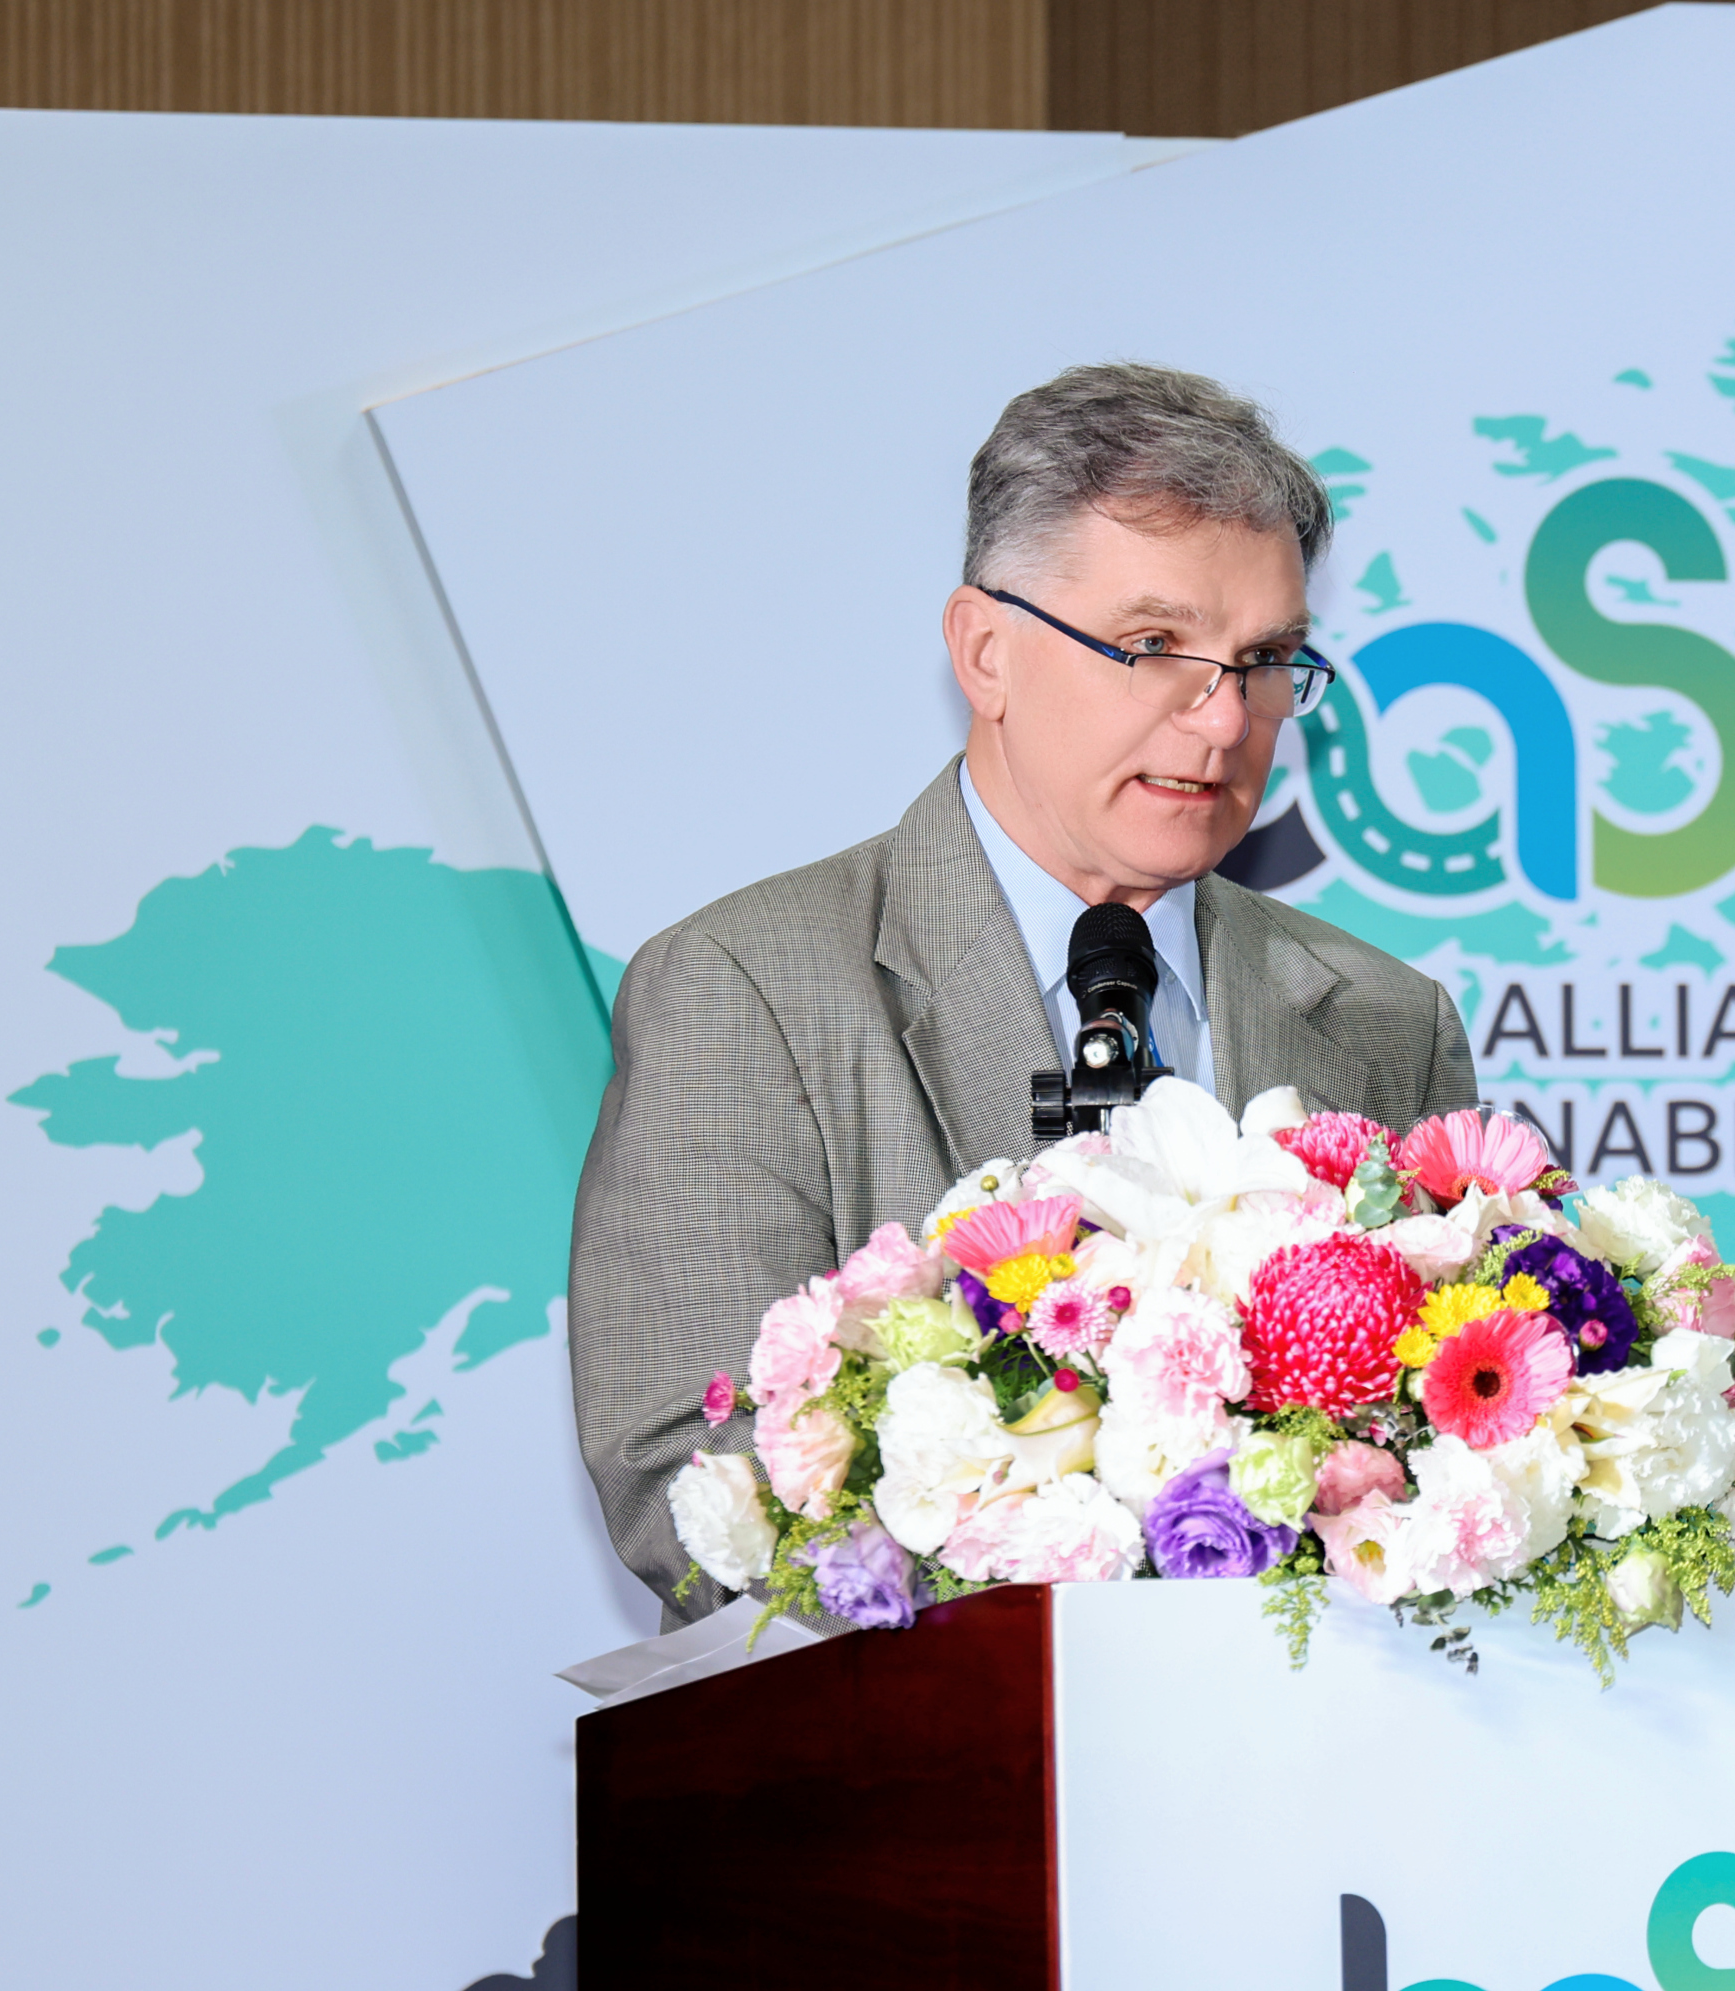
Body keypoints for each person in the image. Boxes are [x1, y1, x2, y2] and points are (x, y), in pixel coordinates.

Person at [570, 363, 1478, 1621]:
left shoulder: (1384, 1017)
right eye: (1151, 647)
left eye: (1264, 659)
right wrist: (1073, 1635)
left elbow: (1468, 1446)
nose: (1224, 722)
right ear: (984, 650)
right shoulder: (747, 988)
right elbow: (691, 1475)